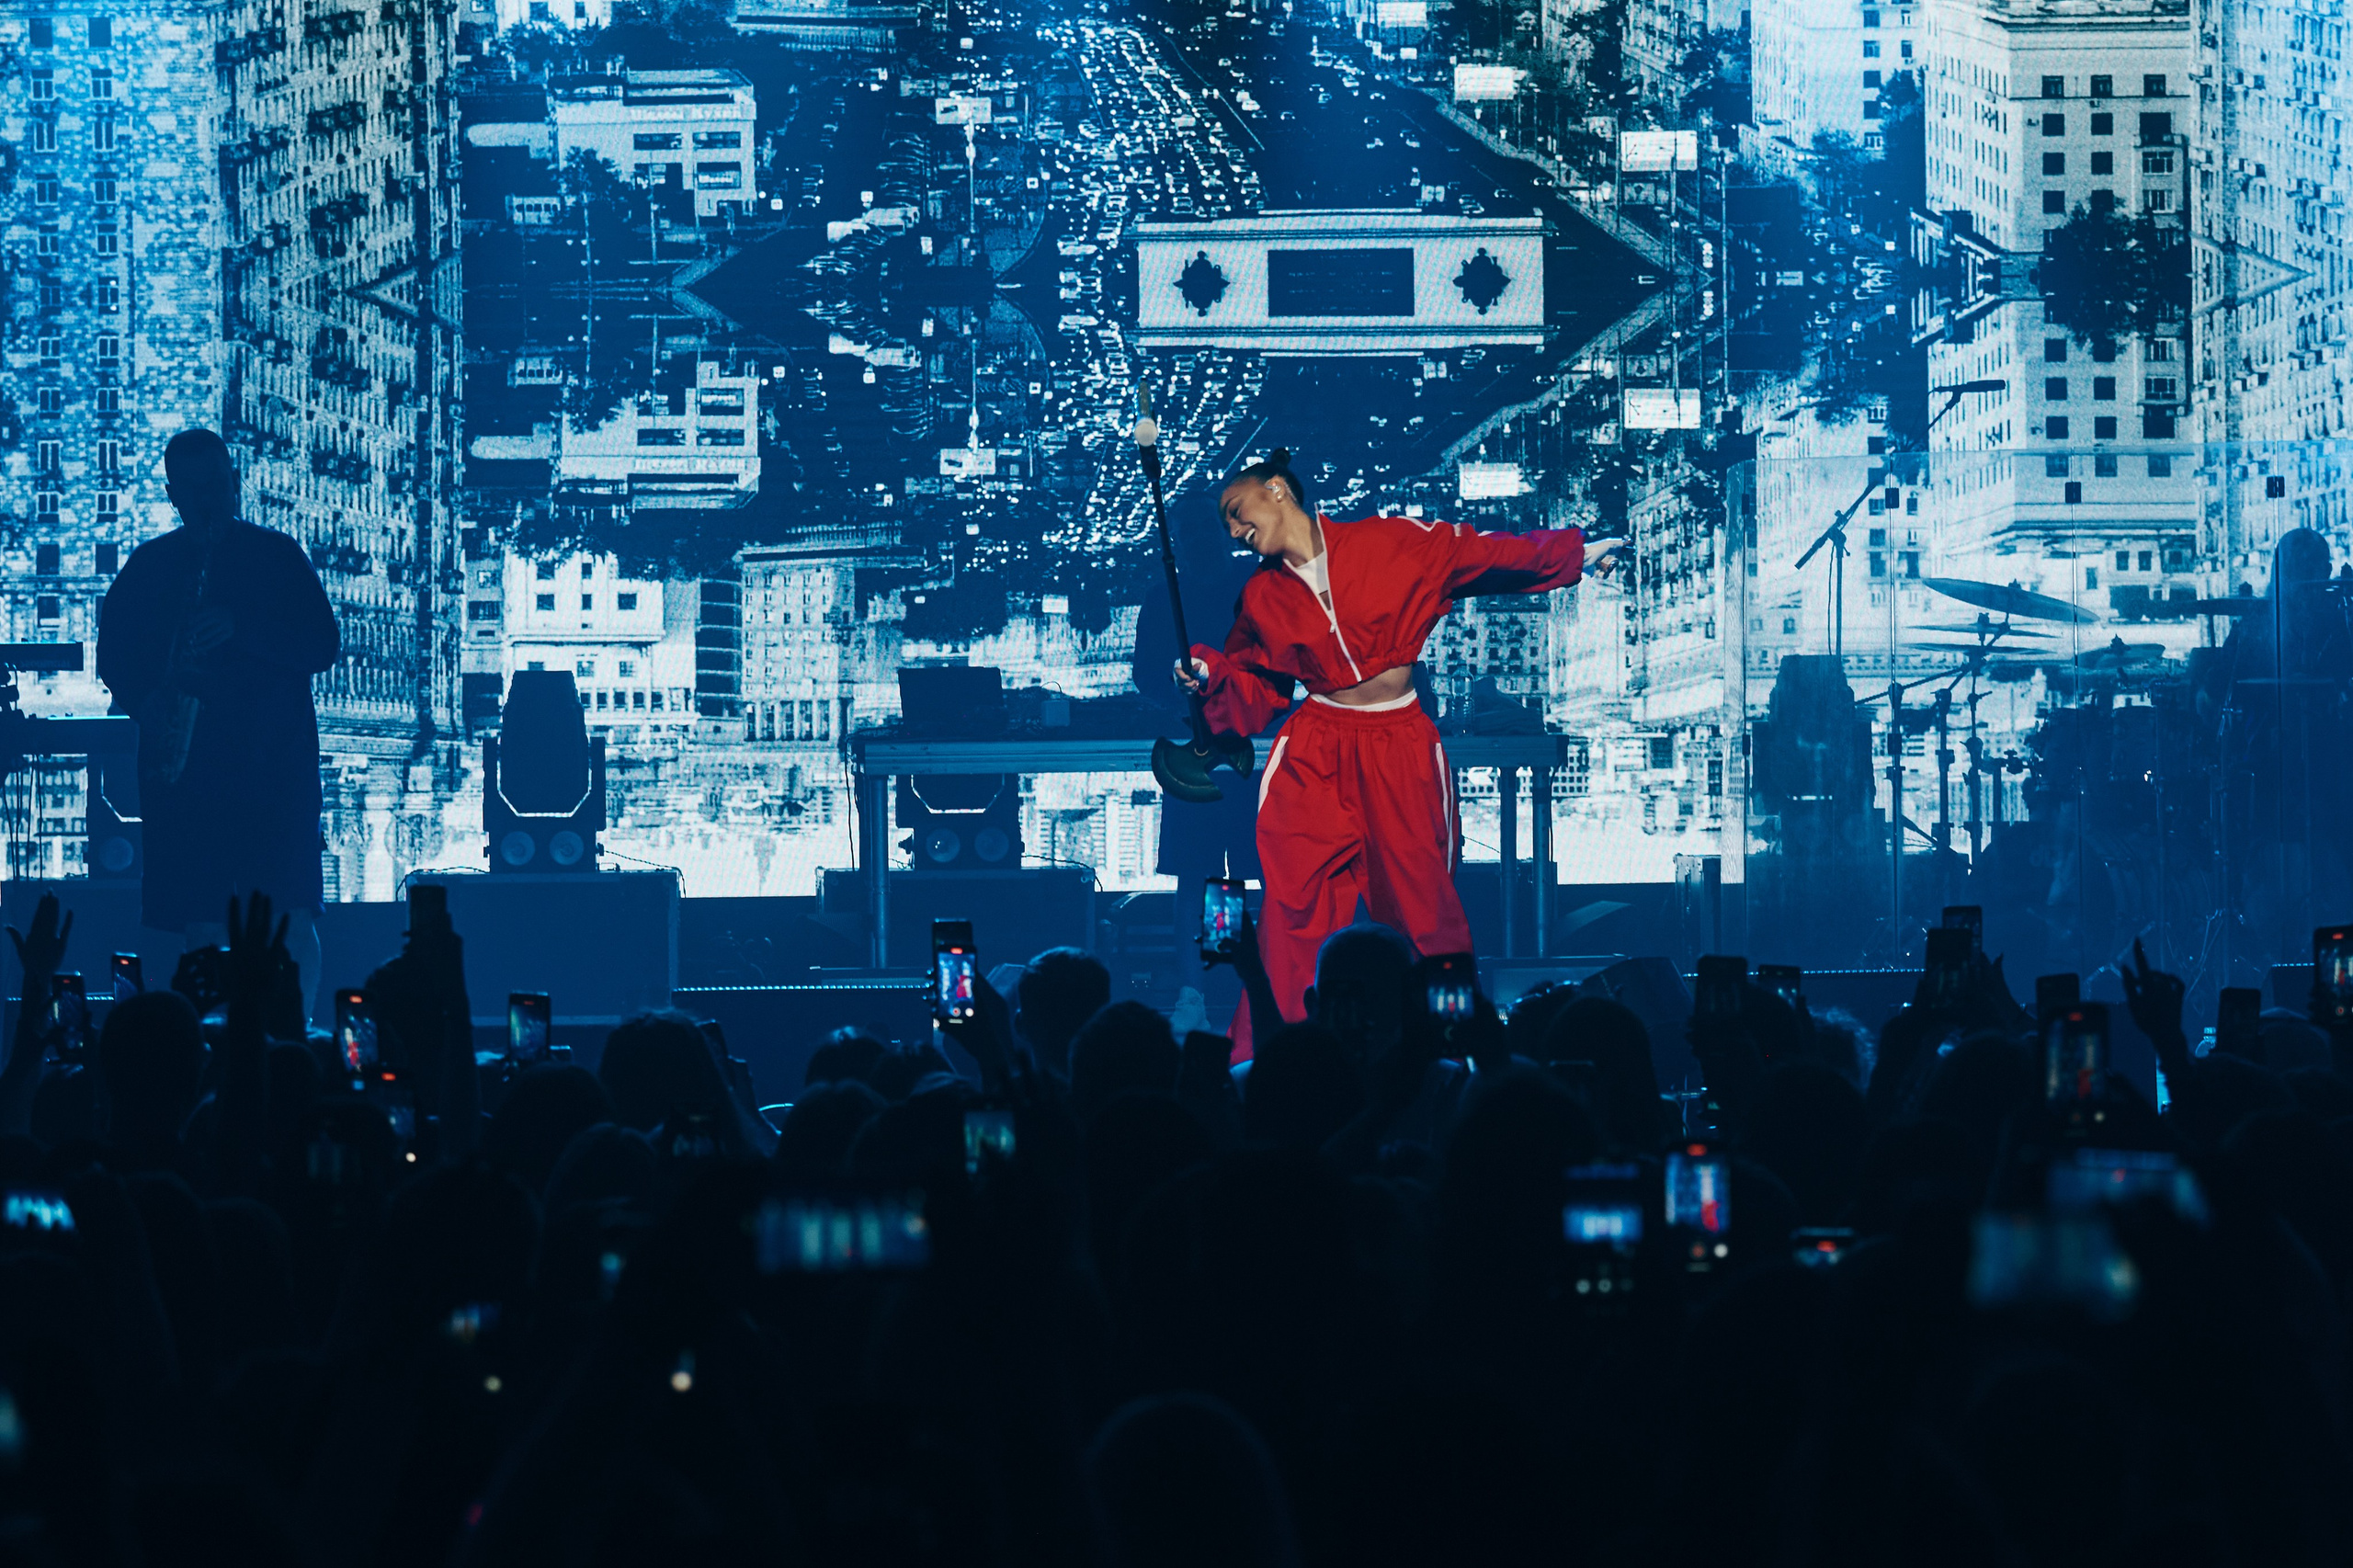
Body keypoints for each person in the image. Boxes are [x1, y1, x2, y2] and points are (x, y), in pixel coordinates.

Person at [1176, 448, 1624, 1028]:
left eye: (1238, 511)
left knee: (1425, 915)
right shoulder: (1261, 597)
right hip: (1314, 753)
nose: (1235, 530)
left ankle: (1454, 1041)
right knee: (1292, 917)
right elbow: (1257, 686)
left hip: (1399, 746)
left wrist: (1576, 555)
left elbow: (1481, 555)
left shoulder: (1391, 542)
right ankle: (1281, 1055)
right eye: (1228, 524)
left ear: (1279, 490)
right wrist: (1210, 674)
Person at [97, 429, 339, 1019]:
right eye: (196, 487)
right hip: (193, 781)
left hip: (270, 776)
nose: (211, 497)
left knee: (288, 917)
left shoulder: (278, 556)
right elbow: (113, 660)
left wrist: (242, 627)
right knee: (198, 926)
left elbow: (323, 645)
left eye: (219, 482)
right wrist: (149, 702)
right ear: (172, 492)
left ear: (234, 480)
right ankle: (204, 1042)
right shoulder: (150, 566)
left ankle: (293, 1039)